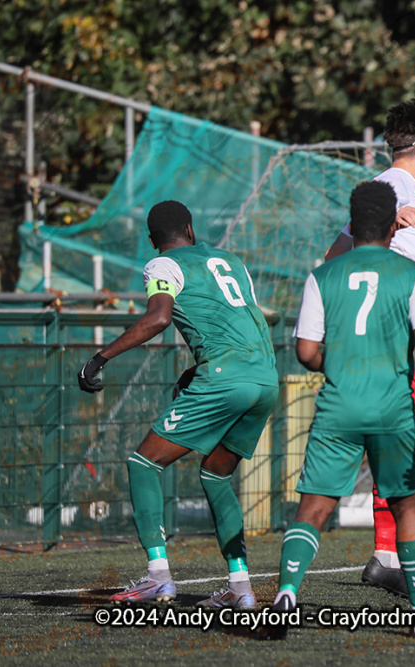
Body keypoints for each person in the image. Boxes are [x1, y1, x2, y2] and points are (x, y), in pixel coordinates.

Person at [77, 200, 279, 608]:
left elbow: (158, 318)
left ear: (153, 242)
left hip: (226, 378)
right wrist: (197, 371)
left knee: (143, 463)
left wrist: (99, 359)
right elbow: (252, 319)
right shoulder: (231, 260)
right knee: (217, 476)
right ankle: (240, 588)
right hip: (265, 376)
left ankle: (157, 577)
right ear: (190, 227)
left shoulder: (162, 266)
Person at [273, 180, 415, 637]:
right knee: (408, 508)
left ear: (353, 225)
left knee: (312, 508)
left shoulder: (322, 275)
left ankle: (286, 595)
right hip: (392, 405)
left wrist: (343, 364)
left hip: (338, 405)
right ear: (395, 224)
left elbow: (306, 351)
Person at [324, 99, 415, 598]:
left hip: (357, 348)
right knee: (398, 455)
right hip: (389, 348)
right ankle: (398, 569)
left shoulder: (377, 192)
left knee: (371, 454)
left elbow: (331, 258)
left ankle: (384, 557)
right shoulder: (398, 193)